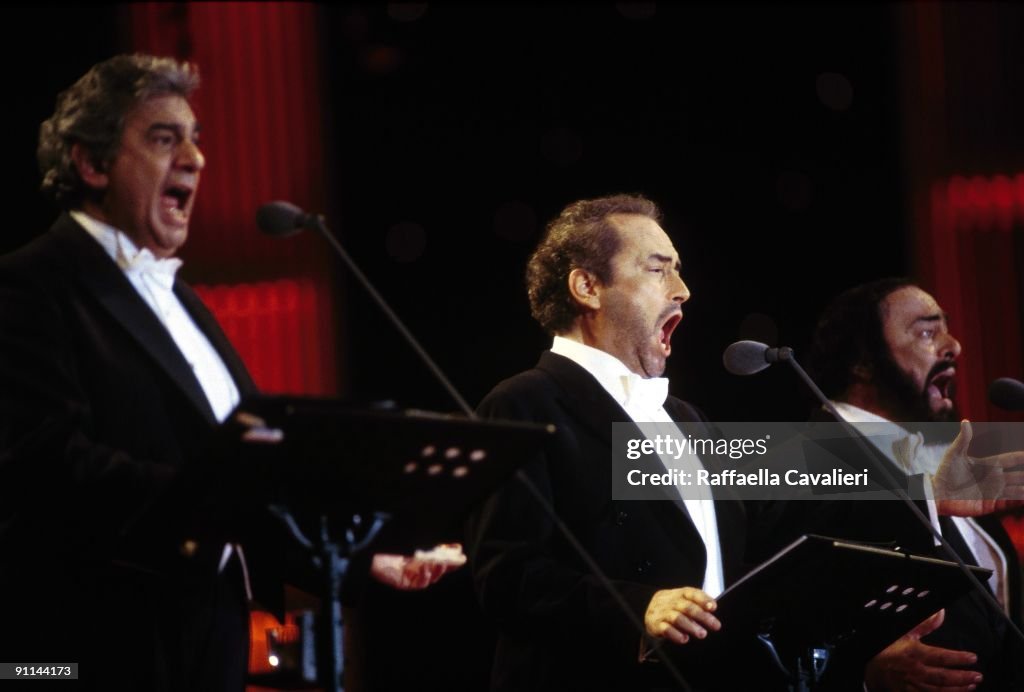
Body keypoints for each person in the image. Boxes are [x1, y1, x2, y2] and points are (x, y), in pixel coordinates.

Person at [0, 53, 458, 691]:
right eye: (164, 139)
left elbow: (248, 487)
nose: (196, 158)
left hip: (208, 640)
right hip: (90, 644)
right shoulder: (29, 286)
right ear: (92, 163)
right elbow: (49, 464)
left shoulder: (182, 303)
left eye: (197, 139)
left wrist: (354, 557)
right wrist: (218, 501)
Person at [466, 194, 781, 691]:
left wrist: (913, 475)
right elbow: (505, 576)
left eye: (678, 270)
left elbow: (779, 495)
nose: (683, 291)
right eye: (659, 270)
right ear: (587, 287)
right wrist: (637, 608)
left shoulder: (684, 418)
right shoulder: (525, 402)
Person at [807, 277, 1024, 691]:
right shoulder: (807, 457)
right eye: (927, 332)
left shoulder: (940, 458)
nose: (954, 345)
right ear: (862, 362)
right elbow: (784, 619)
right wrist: (860, 673)